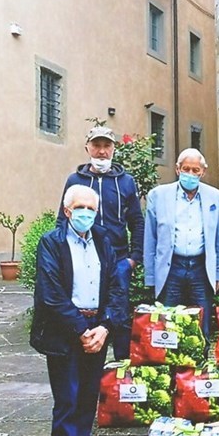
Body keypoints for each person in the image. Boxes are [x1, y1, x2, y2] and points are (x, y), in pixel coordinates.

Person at [31, 184, 125, 436]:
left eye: (91, 208)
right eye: (80, 207)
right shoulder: (51, 243)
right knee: (67, 400)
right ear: (68, 211)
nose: (86, 213)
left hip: (96, 331)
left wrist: (105, 326)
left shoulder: (103, 241)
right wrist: (82, 330)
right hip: (65, 333)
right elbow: (51, 293)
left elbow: (116, 286)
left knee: (87, 397)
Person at [57, 126, 144, 362]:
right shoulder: (75, 180)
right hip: (84, 258)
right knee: (87, 311)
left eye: (107, 146)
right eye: (97, 146)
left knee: (120, 315)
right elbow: (61, 220)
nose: (102, 151)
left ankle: (121, 368)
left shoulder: (126, 182)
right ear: (87, 148)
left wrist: (134, 258)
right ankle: (86, 359)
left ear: (114, 149)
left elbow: (137, 220)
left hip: (118, 260)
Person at [143, 148, 219, 343]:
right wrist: (150, 277)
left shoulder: (215, 196)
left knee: (201, 325)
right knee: (168, 324)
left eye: (195, 170)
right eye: (186, 169)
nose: (190, 174)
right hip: (171, 268)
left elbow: (218, 239)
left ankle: (200, 370)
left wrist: (218, 273)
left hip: (201, 269)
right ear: (178, 169)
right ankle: (171, 371)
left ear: (202, 172)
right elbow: (150, 239)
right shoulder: (158, 195)